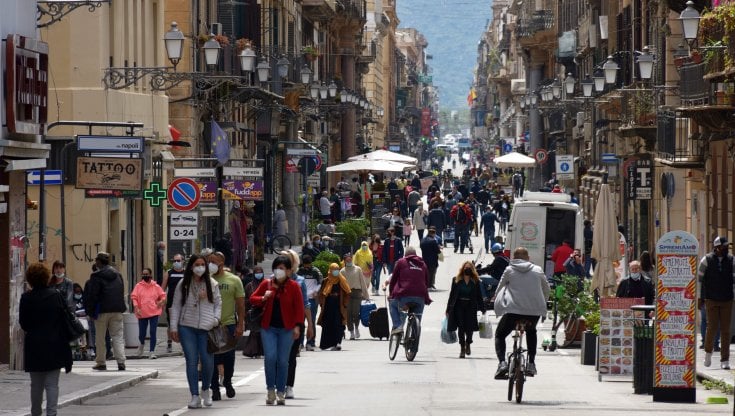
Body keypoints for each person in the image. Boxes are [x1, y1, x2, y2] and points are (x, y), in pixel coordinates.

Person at [249, 255, 305, 405]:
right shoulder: (266, 284)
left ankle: (281, 391)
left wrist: (297, 326)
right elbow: (252, 298)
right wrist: (263, 298)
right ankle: (270, 390)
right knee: (270, 358)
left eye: (282, 268)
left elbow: (299, 308)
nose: (278, 271)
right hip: (269, 328)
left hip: (287, 329)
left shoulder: (294, 286)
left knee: (283, 361)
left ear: (289, 271)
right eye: (276, 268)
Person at [169, 254, 222, 409]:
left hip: (207, 328)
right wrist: (173, 327)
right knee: (191, 361)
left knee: (207, 361)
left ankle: (205, 389)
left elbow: (218, 303)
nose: (200, 268)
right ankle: (194, 395)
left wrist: (215, 320)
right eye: (197, 265)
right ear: (191, 267)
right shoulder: (183, 283)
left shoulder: (212, 283)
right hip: (187, 327)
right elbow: (176, 305)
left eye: (202, 265)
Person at [20, 262, 73, 416]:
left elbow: (23, 323)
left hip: (34, 345)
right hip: (54, 344)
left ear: (30, 279)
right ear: (46, 277)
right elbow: (64, 319)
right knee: (52, 384)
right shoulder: (55, 296)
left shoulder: (26, 298)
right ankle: (51, 413)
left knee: (36, 385)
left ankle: (35, 413)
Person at [494, 247, 550, 379]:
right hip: (534, 311)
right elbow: (546, 289)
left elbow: (499, 288)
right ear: (528, 258)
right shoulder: (538, 270)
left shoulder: (509, 270)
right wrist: (543, 302)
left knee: (500, 335)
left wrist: (496, 300)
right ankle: (531, 363)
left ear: (513, 258)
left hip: (513, 311)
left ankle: (502, 363)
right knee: (531, 332)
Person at [207, 252, 246, 401]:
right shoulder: (205, 280)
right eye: (209, 261)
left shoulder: (234, 280)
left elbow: (241, 305)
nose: (210, 264)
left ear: (221, 264)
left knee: (229, 358)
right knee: (212, 359)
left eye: (213, 261)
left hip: (228, 324)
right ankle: (214, 389)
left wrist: (240, 324)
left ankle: (227, 381)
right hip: (210, 326)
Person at [84, 252, 127, 371]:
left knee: (100, 338)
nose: (95, 262)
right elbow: (121, 291)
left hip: (102, 310)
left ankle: (101, 362)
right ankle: (121, 361)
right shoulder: (118, 274)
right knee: (117, 336)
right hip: (117, 309)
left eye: (96, 260)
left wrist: (90, 311)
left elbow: (93, 295)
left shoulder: (96, 276)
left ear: (99, 261)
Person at [698, 236, 735, 369]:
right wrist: (700, 297)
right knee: (712, 327)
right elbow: (699, 280)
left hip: (727, 299)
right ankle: (708, 352)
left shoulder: (732, 260)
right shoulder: (706, 260)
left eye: (727, 247)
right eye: (724, 247)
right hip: (711, 299)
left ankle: (725, 360)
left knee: (726, 330)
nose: (726, 249)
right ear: (717, 247)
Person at [386, 247, 432, 335]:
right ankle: (415, 338)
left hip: (404, 295)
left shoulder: (401, 262)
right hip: (420, 297)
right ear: (416, 255)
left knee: (393, 304)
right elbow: (427, 282)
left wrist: (391, 294)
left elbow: (393, 280)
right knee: (417, 320)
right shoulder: (423, 264)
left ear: (405, 255)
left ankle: (398, 326)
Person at [446, 261, 486, 358]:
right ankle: (462, 348)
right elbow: (452, 295)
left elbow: (479, 296)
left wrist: (482, 308)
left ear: (472, 270)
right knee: (461, 327)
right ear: (462, 269)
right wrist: (448, 309)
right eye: (465, 267)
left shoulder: (475, 281)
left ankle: (468, 343)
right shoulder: (456, 280)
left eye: (469, 268)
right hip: (459, 306)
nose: (467, 269)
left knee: (469, 327)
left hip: (470, 306)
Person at [130, 267, 166, 359]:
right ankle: (141, 345)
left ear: (150, 275)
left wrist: (161, 301)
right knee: (141, 334)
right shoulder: (138, 286)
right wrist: (136, 307)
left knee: (153, 331)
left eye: (146, 274)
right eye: (143, 274)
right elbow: (134, 297)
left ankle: (152, 351)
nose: (145, 275)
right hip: (142, 312)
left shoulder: (156, 286)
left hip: (154, 311)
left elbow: (163, 295)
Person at [318, 263, 351, 350]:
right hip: (328, 307)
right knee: (327, 325)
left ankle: (338, 343)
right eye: (334, 270)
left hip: (339, 307)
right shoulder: (326, 281)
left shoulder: (341, 280)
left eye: (337, 269)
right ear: (330, 270)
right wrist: (321, 303)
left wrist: (345, 304)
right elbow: (321, 293)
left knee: (338, 325)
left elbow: (348, 292)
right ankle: (327, 344)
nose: (336, 271)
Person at [341, 252, 370, 340]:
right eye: (347, 260)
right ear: (344, 261)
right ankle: (351, 331)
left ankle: (356, 327)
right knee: (349, 313)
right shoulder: (342, 271)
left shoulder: (358, 269)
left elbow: (362, 282)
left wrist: (366, 296)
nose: (349, 261)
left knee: (356, 312)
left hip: (357, 292)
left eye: (350, 259)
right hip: (347, 294)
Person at [297, 255, 323, 351]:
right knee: (300, 321)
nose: (307, 267)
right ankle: (300, 343)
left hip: (312, 299)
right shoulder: (299, 271)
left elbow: (320, 282)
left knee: (311, 321)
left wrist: (316, 290)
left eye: (308, 265)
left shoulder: (316, 271)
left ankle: (310, 342)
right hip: (302, 299)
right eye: (305, 265)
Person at [162, 253, 186, 353]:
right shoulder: (169, 273)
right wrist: (162, 301)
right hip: (171, 302)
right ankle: (169, 343)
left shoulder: (186, 273)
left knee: (183, 324)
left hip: (184, 302)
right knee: (170, 323)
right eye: (174, 261)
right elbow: (162, 288)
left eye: (178, 261)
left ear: (183, 261)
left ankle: (184, 344)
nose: (176, 262)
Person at [242, 265, 265, 358]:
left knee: (263, 332)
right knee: (254, 332)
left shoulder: (266, 284)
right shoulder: (249, 286)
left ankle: (261, 351)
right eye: (257, 273)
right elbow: (245, 299)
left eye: (260, 272)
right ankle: (253, 351)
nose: (259, 274)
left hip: (264, 311)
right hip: (253, 312)